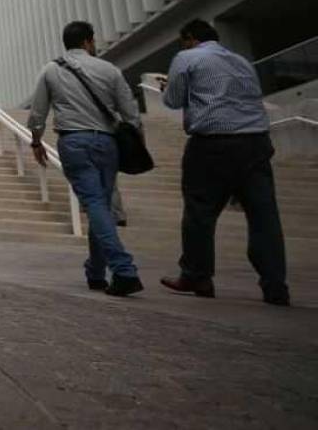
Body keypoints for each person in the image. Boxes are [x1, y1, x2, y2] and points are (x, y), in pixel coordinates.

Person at [159, 19, 289, 306]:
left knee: (200, 212)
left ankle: (197, 275)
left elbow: (173, 100)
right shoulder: (242, 61)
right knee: (263, 216)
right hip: (256, 142)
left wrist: (169, 87)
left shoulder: (187, 58)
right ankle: (275, 284)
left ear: (189, 38)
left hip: (212, 144)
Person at [27, 20, 143, 296]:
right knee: (100, 205)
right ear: (89, 42)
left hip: (74, 141)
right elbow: (131, 114)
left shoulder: (52, 69)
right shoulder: (109, 69)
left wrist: (36, 141)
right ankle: (95, 272)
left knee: (94, 205)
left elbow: (37, 113)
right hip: (107, 143)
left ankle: (123, 269)